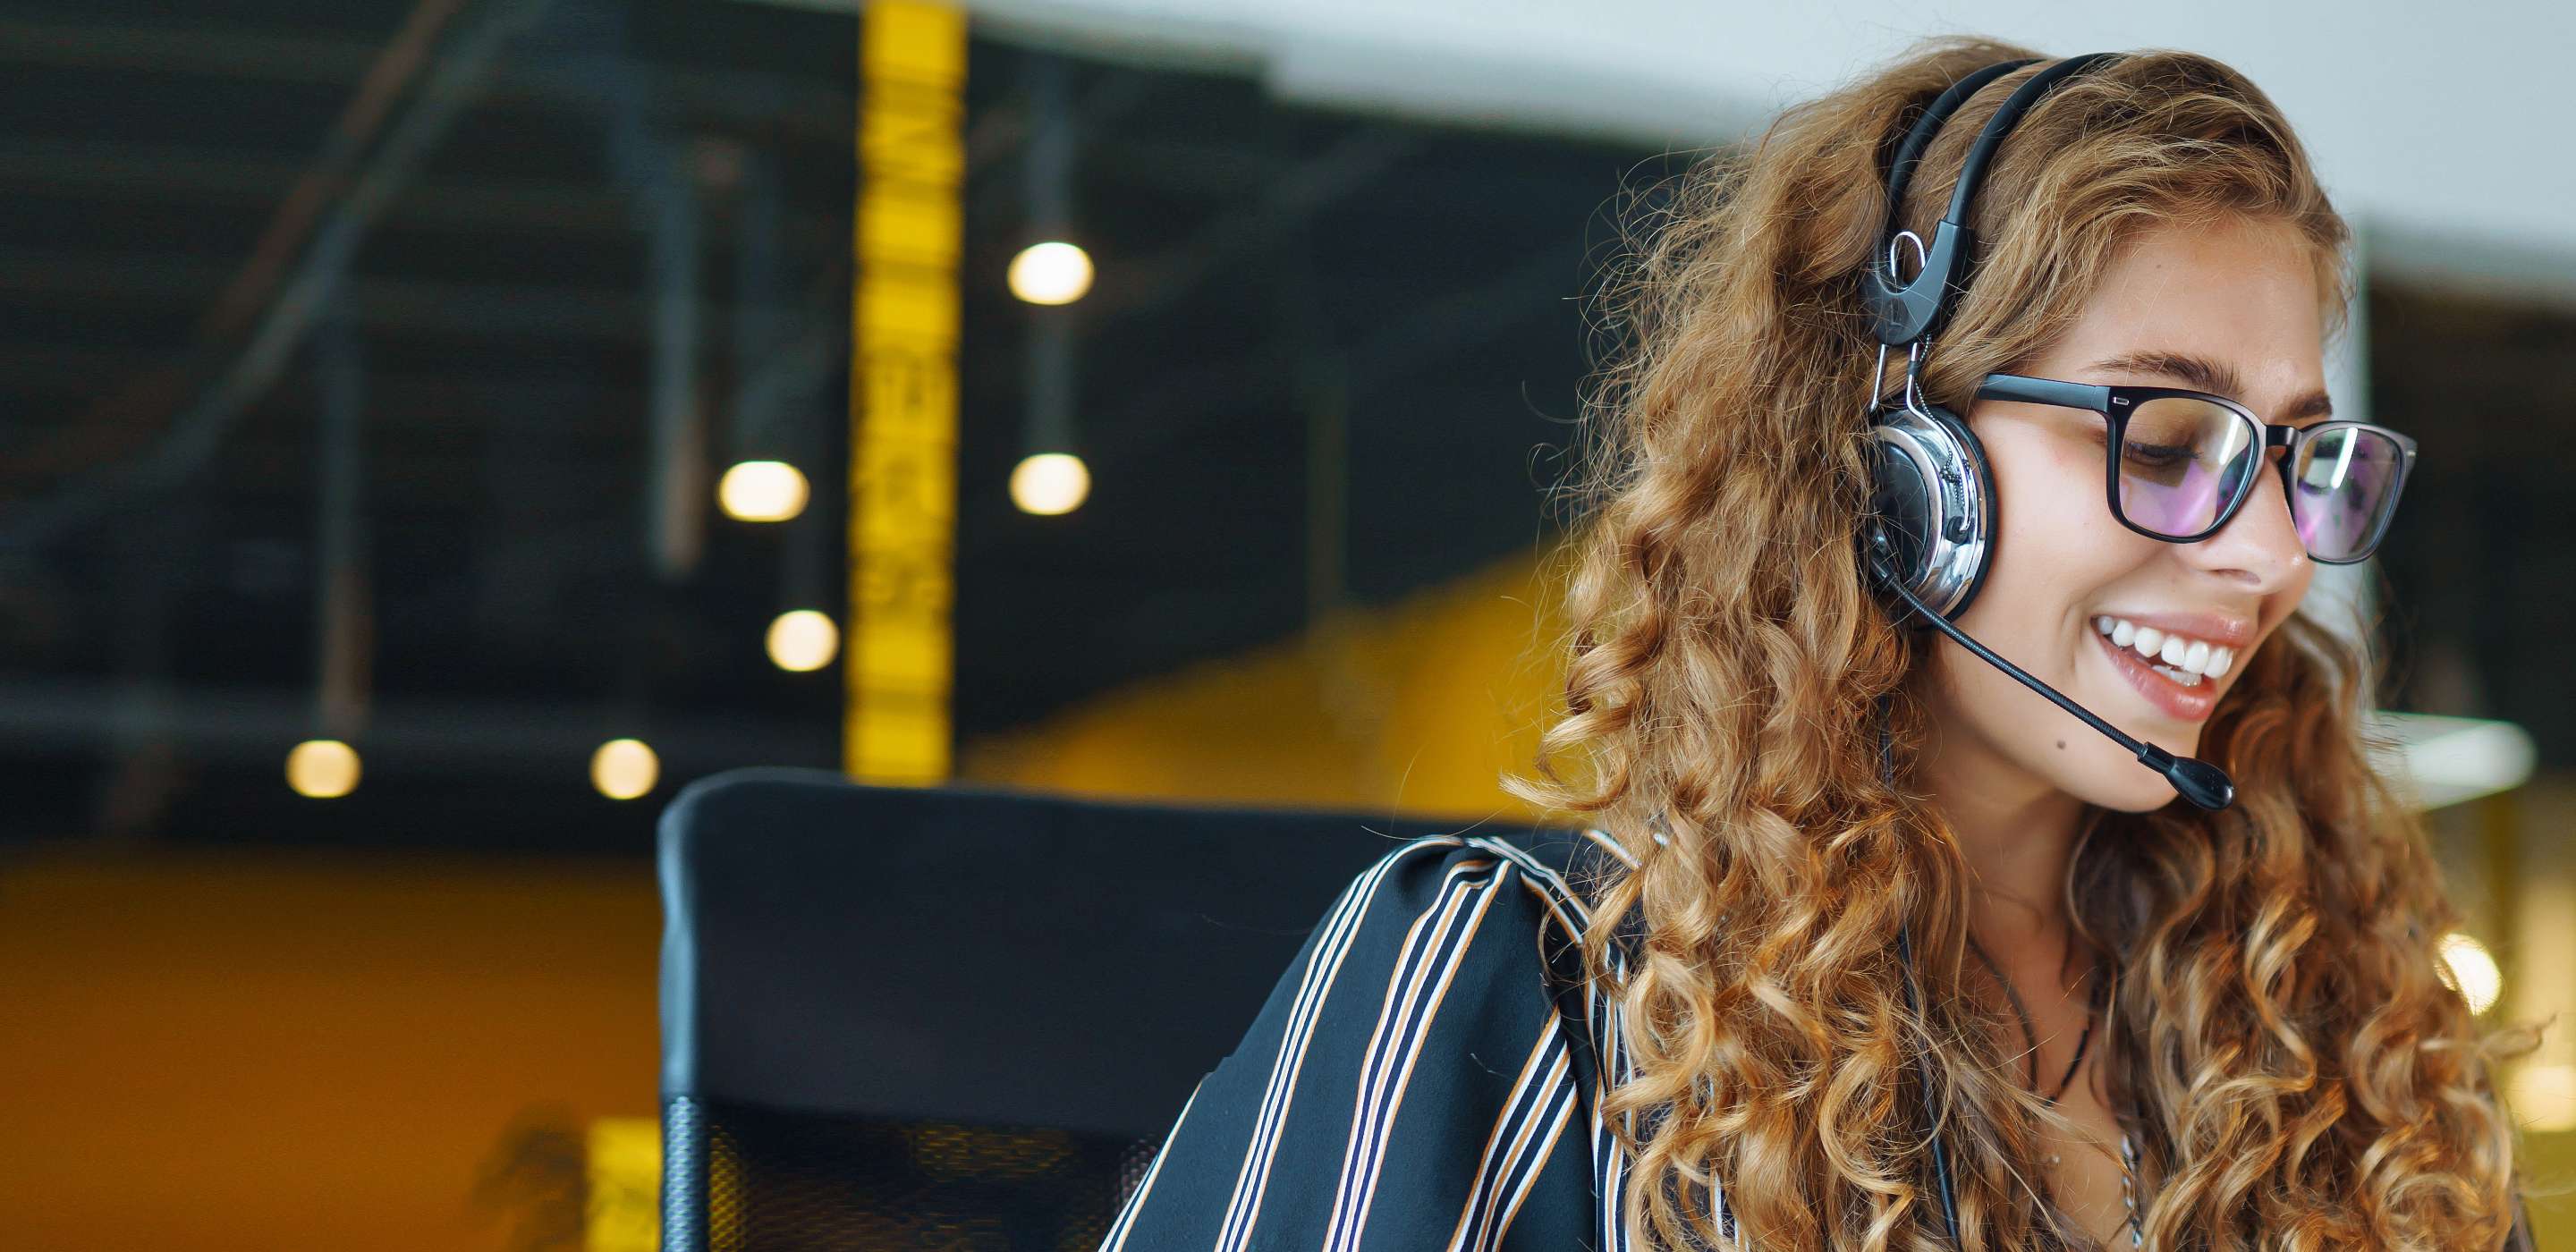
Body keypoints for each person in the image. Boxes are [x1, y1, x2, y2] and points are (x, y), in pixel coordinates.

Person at [1098, 38, 2536, 1250]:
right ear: (1900, 469)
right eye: (2165, 437)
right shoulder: (1520, 989)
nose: (2273, 553)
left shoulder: (2348, 1032)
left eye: (2299, 459)